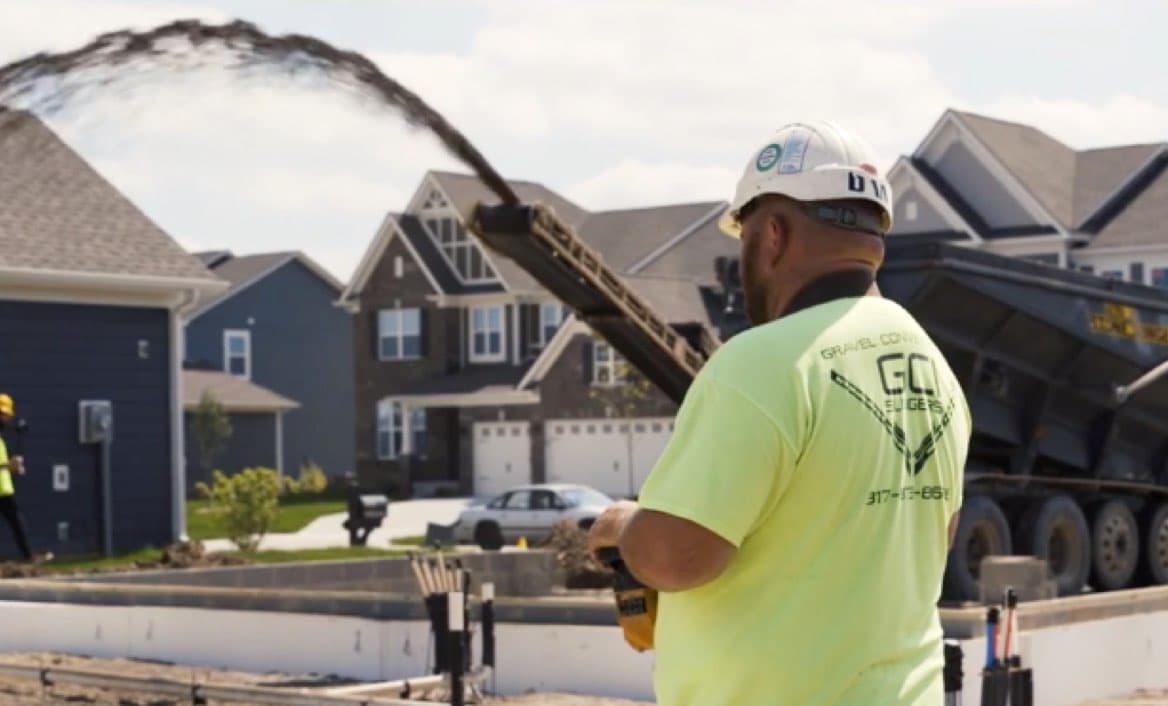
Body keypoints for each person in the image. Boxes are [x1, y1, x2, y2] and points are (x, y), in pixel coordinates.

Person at [588, 121, 971, 706]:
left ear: (772, 234)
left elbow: (677, 555)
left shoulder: (762, 365)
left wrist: (622, 527)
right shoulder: (931, 366)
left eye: (742, 237)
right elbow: (929, 538)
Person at [0, 393, 36, 563]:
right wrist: (8, 465)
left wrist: (12, 467)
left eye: (7, 415)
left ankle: (29, 556)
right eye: (4, 415)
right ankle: (28, 556)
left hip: (4, 491)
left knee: (17, 522)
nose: (6, 419)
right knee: (16, 522)